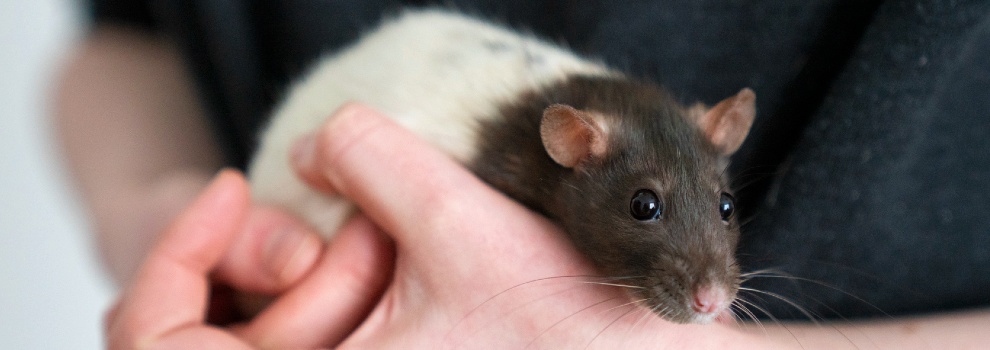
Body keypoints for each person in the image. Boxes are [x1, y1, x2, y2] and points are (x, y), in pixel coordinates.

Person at [57, 0, 990, 348]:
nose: (714, 286)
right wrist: (167, 221)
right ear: (574, 146)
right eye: (649, 207)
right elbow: (126, 37)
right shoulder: (555, 141)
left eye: (721, 208)